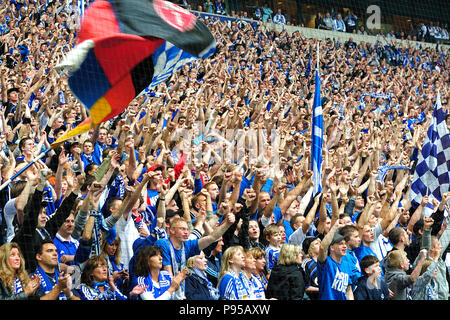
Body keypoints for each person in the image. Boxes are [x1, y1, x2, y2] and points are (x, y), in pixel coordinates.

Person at [77, 254, 143, 300]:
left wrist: (132, 294)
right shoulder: (84, 288)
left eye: (106, 266)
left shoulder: (109, 286)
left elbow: (124, 299)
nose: (105, 269)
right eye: (100, 266)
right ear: (91, 272)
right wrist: (110, 291)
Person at [317, 221, 354, 300]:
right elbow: (323, 247)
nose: (344, 246)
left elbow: (348, 290)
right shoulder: (326, 262)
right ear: (332, 247)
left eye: (345, 244)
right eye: (340, 244)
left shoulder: (347, 264)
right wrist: (335, 227)